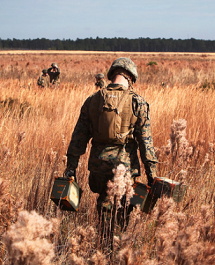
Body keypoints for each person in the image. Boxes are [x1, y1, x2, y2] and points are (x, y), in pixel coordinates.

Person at [64, 57, 157, 244]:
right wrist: (152, 176)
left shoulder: (93, 100)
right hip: (124, 169)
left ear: (112, 75)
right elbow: (146, 143)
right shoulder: (138, 102)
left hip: (98, 168)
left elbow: (78, 139)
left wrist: (70, 169)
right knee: (121, 212)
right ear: (130, 78)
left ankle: (104, 246)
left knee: (104, 206)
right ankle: (113, 253)